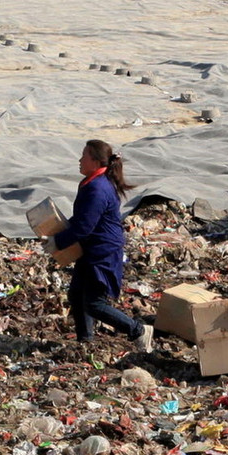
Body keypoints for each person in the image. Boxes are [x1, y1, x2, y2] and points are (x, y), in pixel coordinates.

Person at [44, 139, 153, 352]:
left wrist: (58, 241)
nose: (79, 160)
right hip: (91, 248)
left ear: (94, 161)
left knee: (94, 303)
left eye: (83, 156)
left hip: (102, 251)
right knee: (76, 294)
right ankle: (85, 341)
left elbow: (84, 226)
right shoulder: (92, 182)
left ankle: (138, 330)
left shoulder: (98, 189)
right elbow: (81, 219)